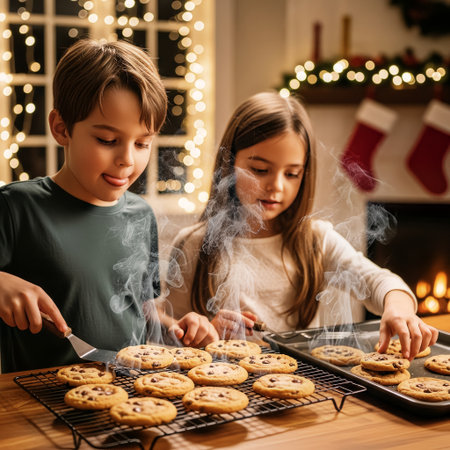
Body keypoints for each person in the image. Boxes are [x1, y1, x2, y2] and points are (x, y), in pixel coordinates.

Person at [165, 91, 438, 360]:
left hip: (300, 390)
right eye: (260, 170)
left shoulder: (316, 240)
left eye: (292, 173)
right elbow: (170, 334)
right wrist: (202, 332)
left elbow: (378, 280)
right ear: (229, 163)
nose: (276, 186)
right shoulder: (193, 243)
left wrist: (398, 307)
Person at [0, 39, 217, 373]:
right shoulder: (17, 208)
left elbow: (141, 310)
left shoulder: (141, 215)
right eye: (107, 140)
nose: (127, 161)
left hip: (131, 395)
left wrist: (174, 328)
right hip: (38, 407)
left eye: (143, 143)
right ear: (61, 128)